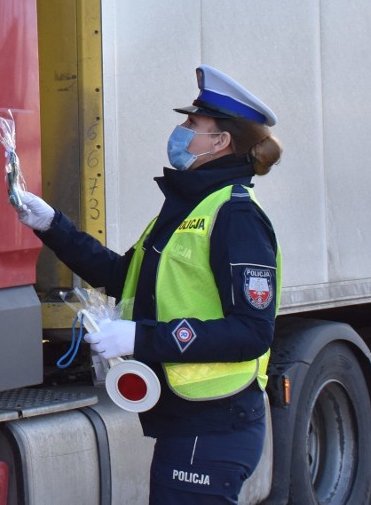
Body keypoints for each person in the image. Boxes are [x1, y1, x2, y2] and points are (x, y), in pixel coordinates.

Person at [16, 65, 282, 504]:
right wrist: (50, 225)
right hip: (189, 420)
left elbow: (252, 331)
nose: (180, 131)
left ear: (221, 141)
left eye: (193, 124)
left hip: (215, 423)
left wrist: (141, 337)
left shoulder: (235, 214)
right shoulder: (185, 209)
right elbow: (124, 277)